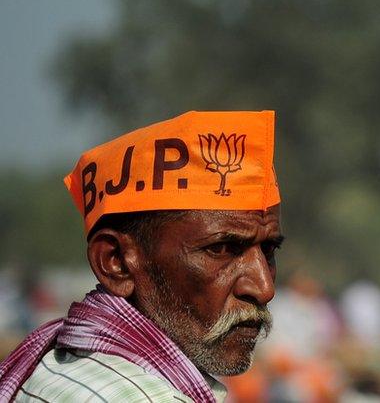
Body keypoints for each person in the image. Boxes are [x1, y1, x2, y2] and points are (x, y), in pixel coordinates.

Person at [0, 110, 283, 402]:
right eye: (221, 249)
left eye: (269, 250)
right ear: (116, 262)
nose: (264, 288)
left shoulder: (58, 370)